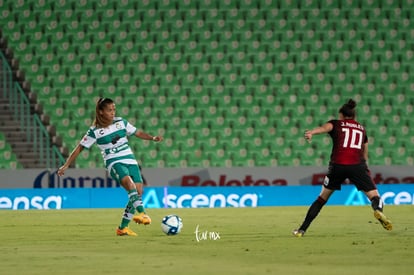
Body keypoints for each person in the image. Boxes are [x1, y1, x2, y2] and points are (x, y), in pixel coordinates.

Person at [57, 97, 163, 236]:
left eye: (114, 109)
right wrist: (66, 165)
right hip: (113, 161)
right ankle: (143, 214)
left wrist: (152, 138)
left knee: (138, 192)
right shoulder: (94, 131)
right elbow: (79, 148)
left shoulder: (121, 122)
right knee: (129, 185)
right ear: (101, 112)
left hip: (130, 159)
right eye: (109, 110)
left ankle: (122, 228)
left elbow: (137, 133)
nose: (113, 112)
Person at [292, 99, 392, 237]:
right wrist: (363, 168)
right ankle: (378, 210)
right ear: (354, 116)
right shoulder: (362, 129)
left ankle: (301, 230)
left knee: (321, 199)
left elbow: (324, 128)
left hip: (337, 165)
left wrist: (312, 133)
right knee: (374, 196)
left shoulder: (336, 124)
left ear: (341, 115)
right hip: (357, 166)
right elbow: (365, 152)